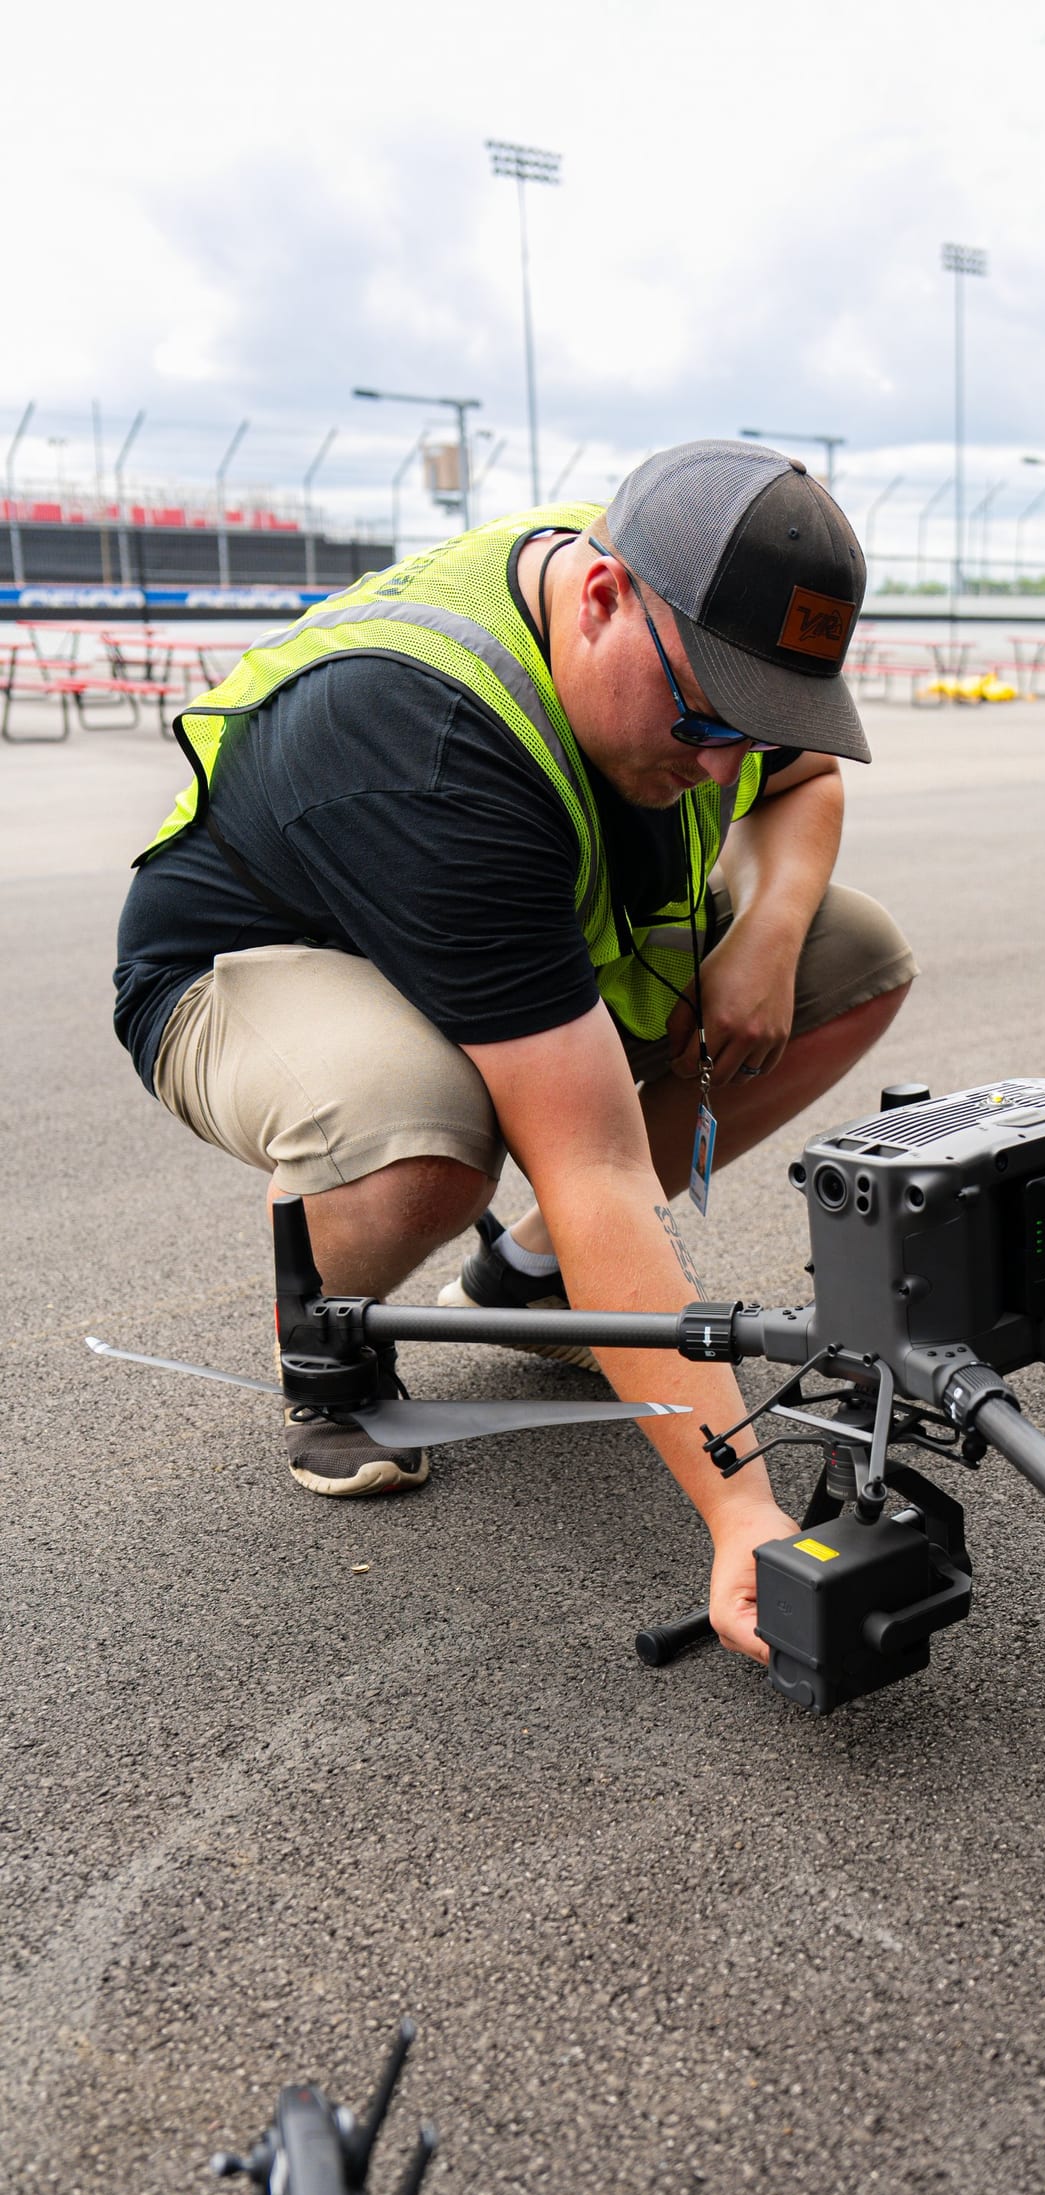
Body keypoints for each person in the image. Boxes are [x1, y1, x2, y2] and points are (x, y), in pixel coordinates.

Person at [112, 439, 915, 1659]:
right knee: (432, 1135)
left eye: (753, 725)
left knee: (845, 961)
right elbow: (586, 1156)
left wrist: (768, 934)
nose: (721, 766)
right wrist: (739, 1506)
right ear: (600, 603)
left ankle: (535, 1280)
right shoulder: (430, 740)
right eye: (705, 719)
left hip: (482, 930)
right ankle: (324, 1336)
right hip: (252, 970)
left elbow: (801, 783)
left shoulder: (668, 609)